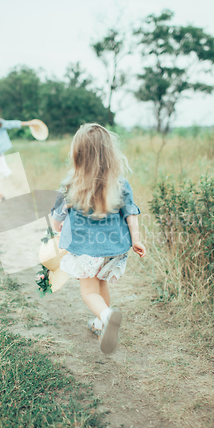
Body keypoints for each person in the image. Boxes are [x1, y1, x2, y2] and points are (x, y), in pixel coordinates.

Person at [50, 123, 146, 355]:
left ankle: (106, 315)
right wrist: (136, 239)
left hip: (86, 249)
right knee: (101, 282)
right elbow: (130, 213)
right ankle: (102, 323)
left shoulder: (70, 184)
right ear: (109, 153)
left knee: (89, 291)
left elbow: (57, 216)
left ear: (78, 153)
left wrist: (56, 231)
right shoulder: (120, 183)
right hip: (115, 248)